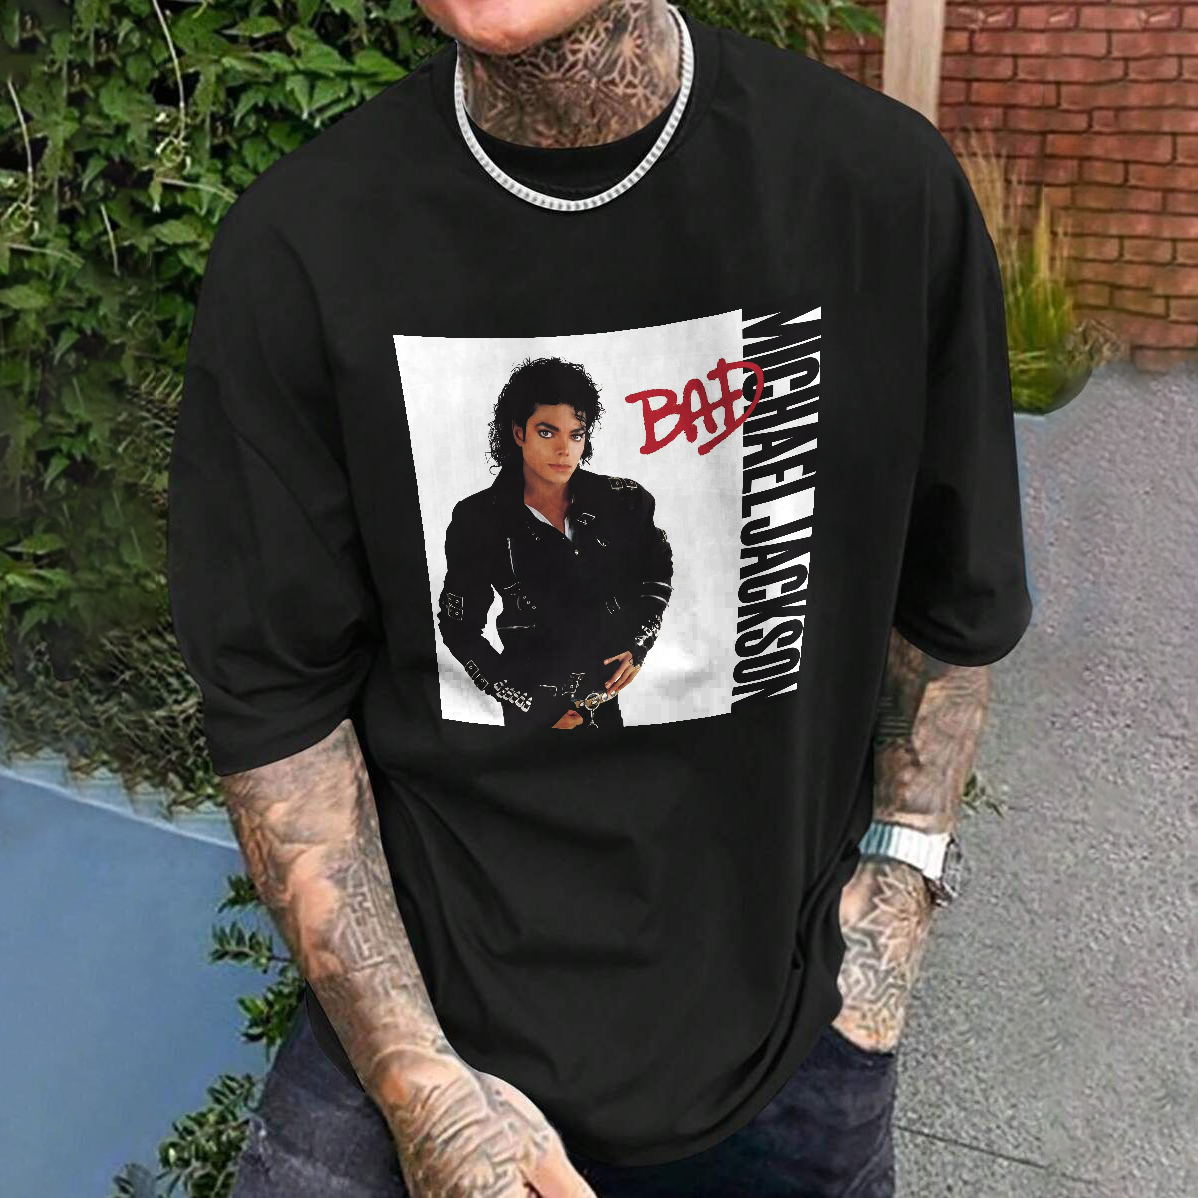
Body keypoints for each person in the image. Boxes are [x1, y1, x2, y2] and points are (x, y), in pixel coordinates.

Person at [167, 1, 1034, 1195]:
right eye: (545, 428)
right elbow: (278, 703)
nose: (565, 444)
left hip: (792, 1052)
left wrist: (879, 954)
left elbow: (950, 607)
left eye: (577, 427)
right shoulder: (303, 247)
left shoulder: (876, 191)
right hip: (412, 1044)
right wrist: (428, 1096)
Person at [437, 356, 674, 732]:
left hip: (604, 702)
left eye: (576, 435)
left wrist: (639, 642)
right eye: (547, 433)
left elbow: (657, 569)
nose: (565, 449)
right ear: (519, 433)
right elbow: (459, 628)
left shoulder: (624, 500)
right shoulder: (478, 519)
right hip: (531, 712)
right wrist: (528, 703)